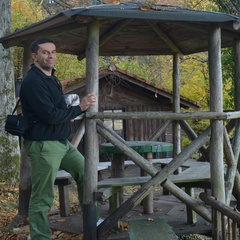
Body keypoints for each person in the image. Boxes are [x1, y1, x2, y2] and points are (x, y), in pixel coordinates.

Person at [20, 38, 96, 239]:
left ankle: (90, 222)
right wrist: (79, 107)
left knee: (87, 174)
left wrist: (73, 106)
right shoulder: (33, 82)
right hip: (44, 145)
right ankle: (39, 237)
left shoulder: (51, 78)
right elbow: (50, 116)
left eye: (53, 52)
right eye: (45, 52)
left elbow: (58, 110)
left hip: (62, 143)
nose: (51, 55)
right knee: (43, 196)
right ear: (35, 56)